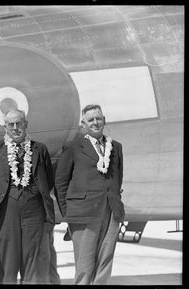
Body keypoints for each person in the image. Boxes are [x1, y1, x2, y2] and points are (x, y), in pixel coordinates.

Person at [0, 108, 56, 284]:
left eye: (19, 123)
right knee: (6, 265)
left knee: (34, 264)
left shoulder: (40, 149)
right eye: (11, 124)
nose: (15, 128)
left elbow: (48, 181)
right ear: (5, 127)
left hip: (34, 213)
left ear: (26, 124)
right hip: (6, 214)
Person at [54, 104, 124, 285]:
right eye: (91, 120)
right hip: (83, 214)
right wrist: (68, 213)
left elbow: (118, 178)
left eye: (98, 118)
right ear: (83, 123)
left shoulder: (116, 147)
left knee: (105, 263)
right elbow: (60, 182)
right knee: (85, 267)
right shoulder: (73, 147)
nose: (95, 122)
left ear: (104, 120)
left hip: (111, 212)